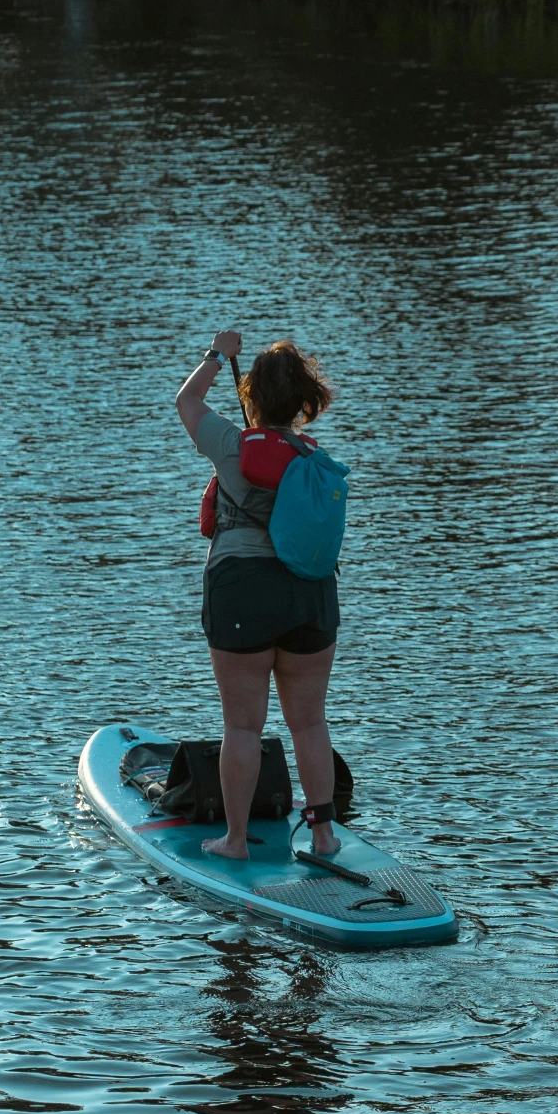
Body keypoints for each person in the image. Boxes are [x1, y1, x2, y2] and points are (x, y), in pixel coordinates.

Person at [174, 331, 343, 862]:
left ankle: (236, 840)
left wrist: (217, 353)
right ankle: (322, 836)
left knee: (243, 725)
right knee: (310, 722)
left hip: (242, 590)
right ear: (301, 403)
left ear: (252, 397)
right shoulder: (316, 458)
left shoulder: (230, 443)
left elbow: (187, 401)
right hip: (311, 594)